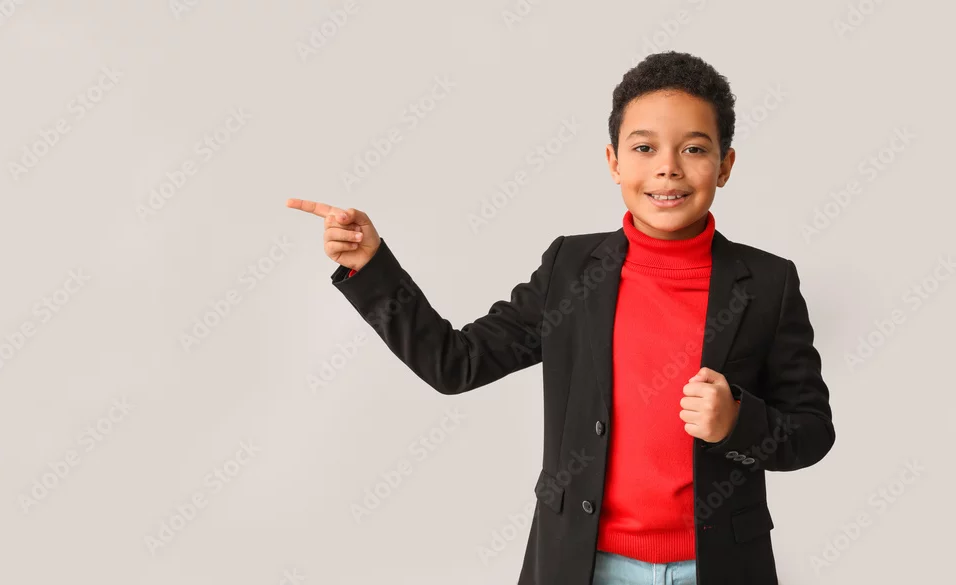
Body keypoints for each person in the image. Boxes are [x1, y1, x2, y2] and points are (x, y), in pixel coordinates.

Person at [287, 51, 834, 585]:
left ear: (726, 164)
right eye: (644, 147)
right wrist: (372, 269)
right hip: (584, 563)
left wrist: (737, 422)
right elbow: (455, 363)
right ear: (614, 161)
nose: (667, 166)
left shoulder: (769, 282)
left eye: (693, 148)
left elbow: (811, 431)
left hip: (719, 566)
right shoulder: (571, 270)